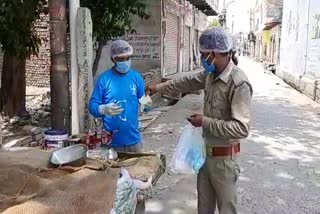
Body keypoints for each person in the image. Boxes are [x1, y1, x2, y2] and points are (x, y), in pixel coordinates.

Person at [148, 27, 252, 214]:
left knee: (227, 209)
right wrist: (160, 87)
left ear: (215, 53)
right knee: (204, 208)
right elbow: (187, 81)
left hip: (225, 161)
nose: (202, 59)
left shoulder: (238, 83)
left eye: (204, 54)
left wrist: (204, 122)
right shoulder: (209, 75)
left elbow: (241, 128)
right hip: (205, 157)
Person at [89, 40, 145, 153]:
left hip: (134, 141)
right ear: (113, 59)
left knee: (136, 170)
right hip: (111, 142)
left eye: (128, 58)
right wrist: (103, 109)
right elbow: (92, 105)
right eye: (121, 59)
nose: (125, 62)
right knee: (112, 171)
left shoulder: (136, 78)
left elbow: (143, 100)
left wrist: (146, 103)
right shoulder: (104, 79)